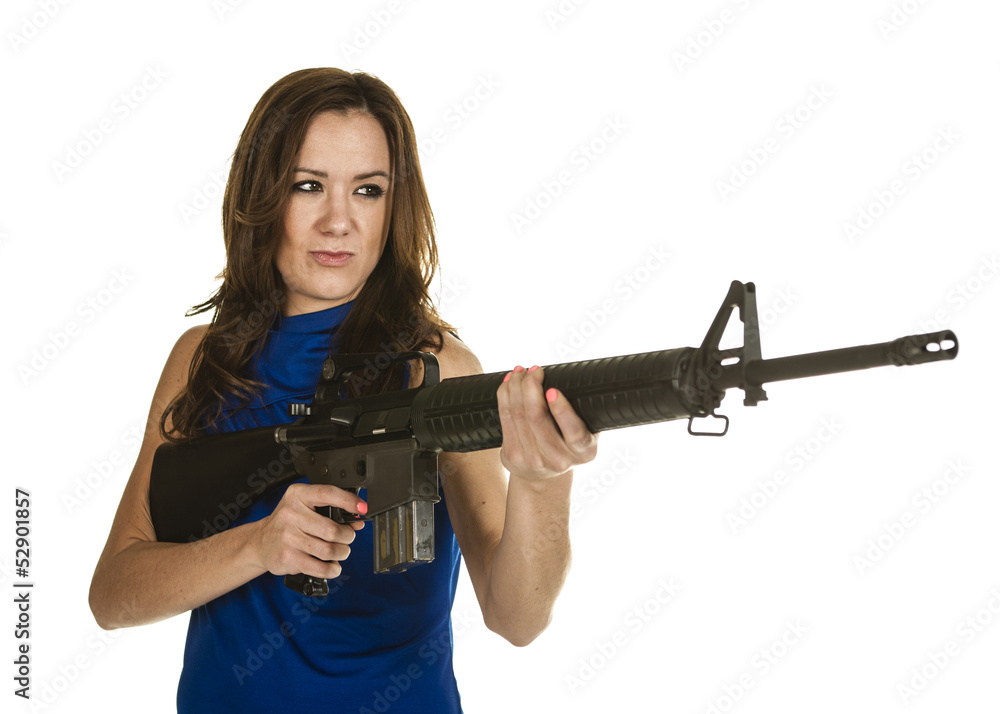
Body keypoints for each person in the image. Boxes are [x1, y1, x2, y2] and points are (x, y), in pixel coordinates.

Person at [89, 67, 598, 712]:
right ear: (262, 197)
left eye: (368, 190)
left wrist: (543, 482)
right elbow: (113, 595)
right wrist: (257, 544)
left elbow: (516, 619)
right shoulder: (204, 360)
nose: (339, 221)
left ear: (394, 207)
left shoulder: (435, 370)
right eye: (308, 186)